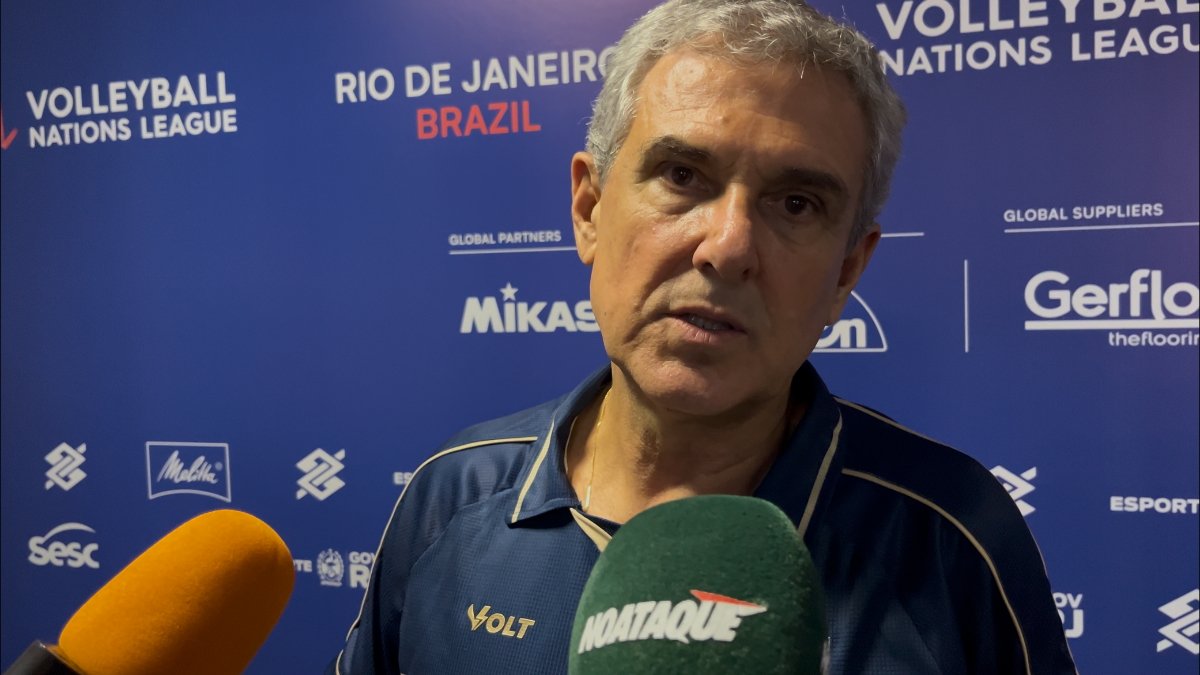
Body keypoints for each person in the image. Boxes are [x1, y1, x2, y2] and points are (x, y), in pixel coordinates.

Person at [329, 1, 1078, 673]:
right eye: (683, 175)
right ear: (589, 209)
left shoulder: (953, 537)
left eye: (795, 202)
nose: (727, 246)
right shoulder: (449, 498)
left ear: (848, 269)